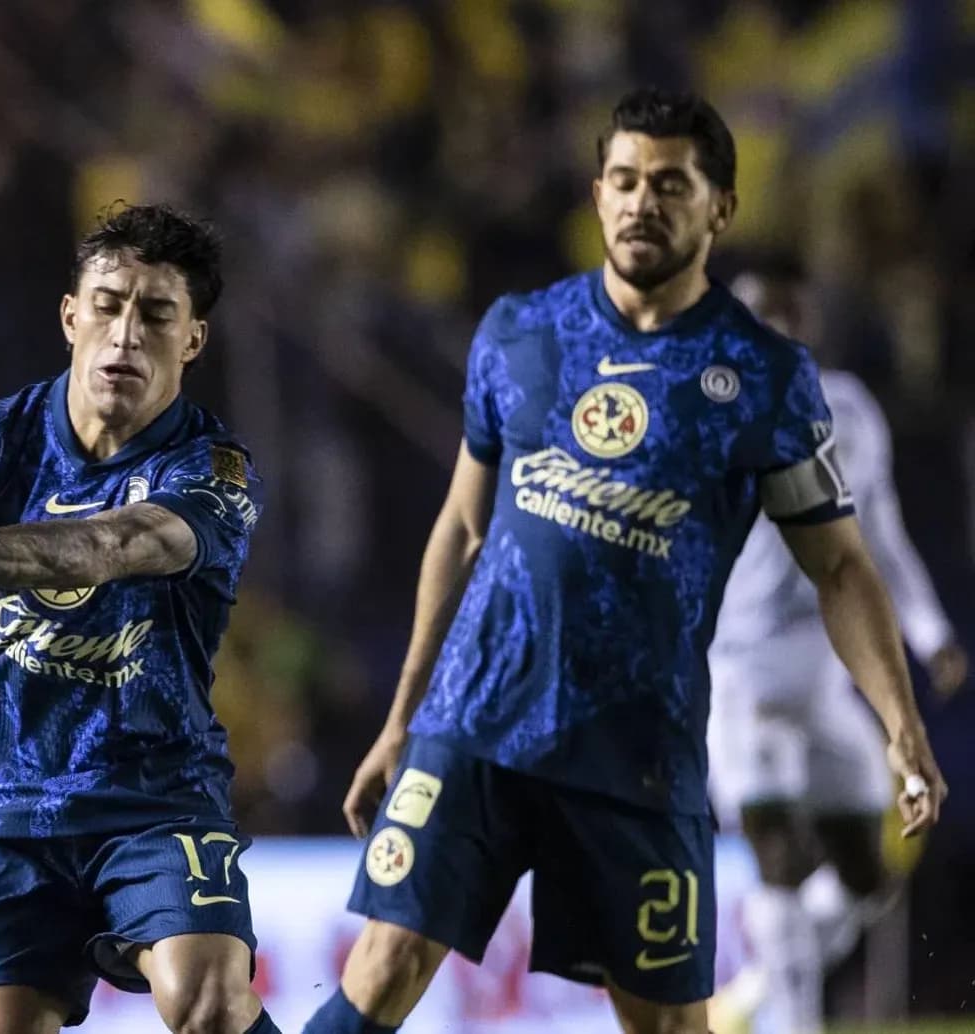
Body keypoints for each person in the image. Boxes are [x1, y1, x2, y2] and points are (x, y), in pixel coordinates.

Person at [302, 88, 947, 1034]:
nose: (643, 202)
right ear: (597, 194)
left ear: (719, 206)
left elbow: (842, 567)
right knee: (385, 964)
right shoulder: (519, 334)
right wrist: (402, 719)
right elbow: (459, 529)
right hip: (478, 725)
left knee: (670, 1025)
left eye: (672, 184)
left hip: (636, 757)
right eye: (625, 180)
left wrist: (898, 724)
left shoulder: (763, 378)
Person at [0, 203, 281, 1034]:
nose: (125, 335)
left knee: (210, 1002)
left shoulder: (213, 467)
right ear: (70, 315)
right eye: (108, 305)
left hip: (154, 796)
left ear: (193, 340)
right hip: (10, 807)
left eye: (156, 314)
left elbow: (104, 549)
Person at [705, 262, 965, 1034]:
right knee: (779, 857)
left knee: (869, 878)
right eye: (760, 315)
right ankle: (795, 1023)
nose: (776, 329)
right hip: (740, 673)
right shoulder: (707, 413)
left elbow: (878, 535)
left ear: (809, 320)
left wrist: (931, 632)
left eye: (789, 313)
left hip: (824, 674)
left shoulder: (848, 408)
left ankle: (757, 991)